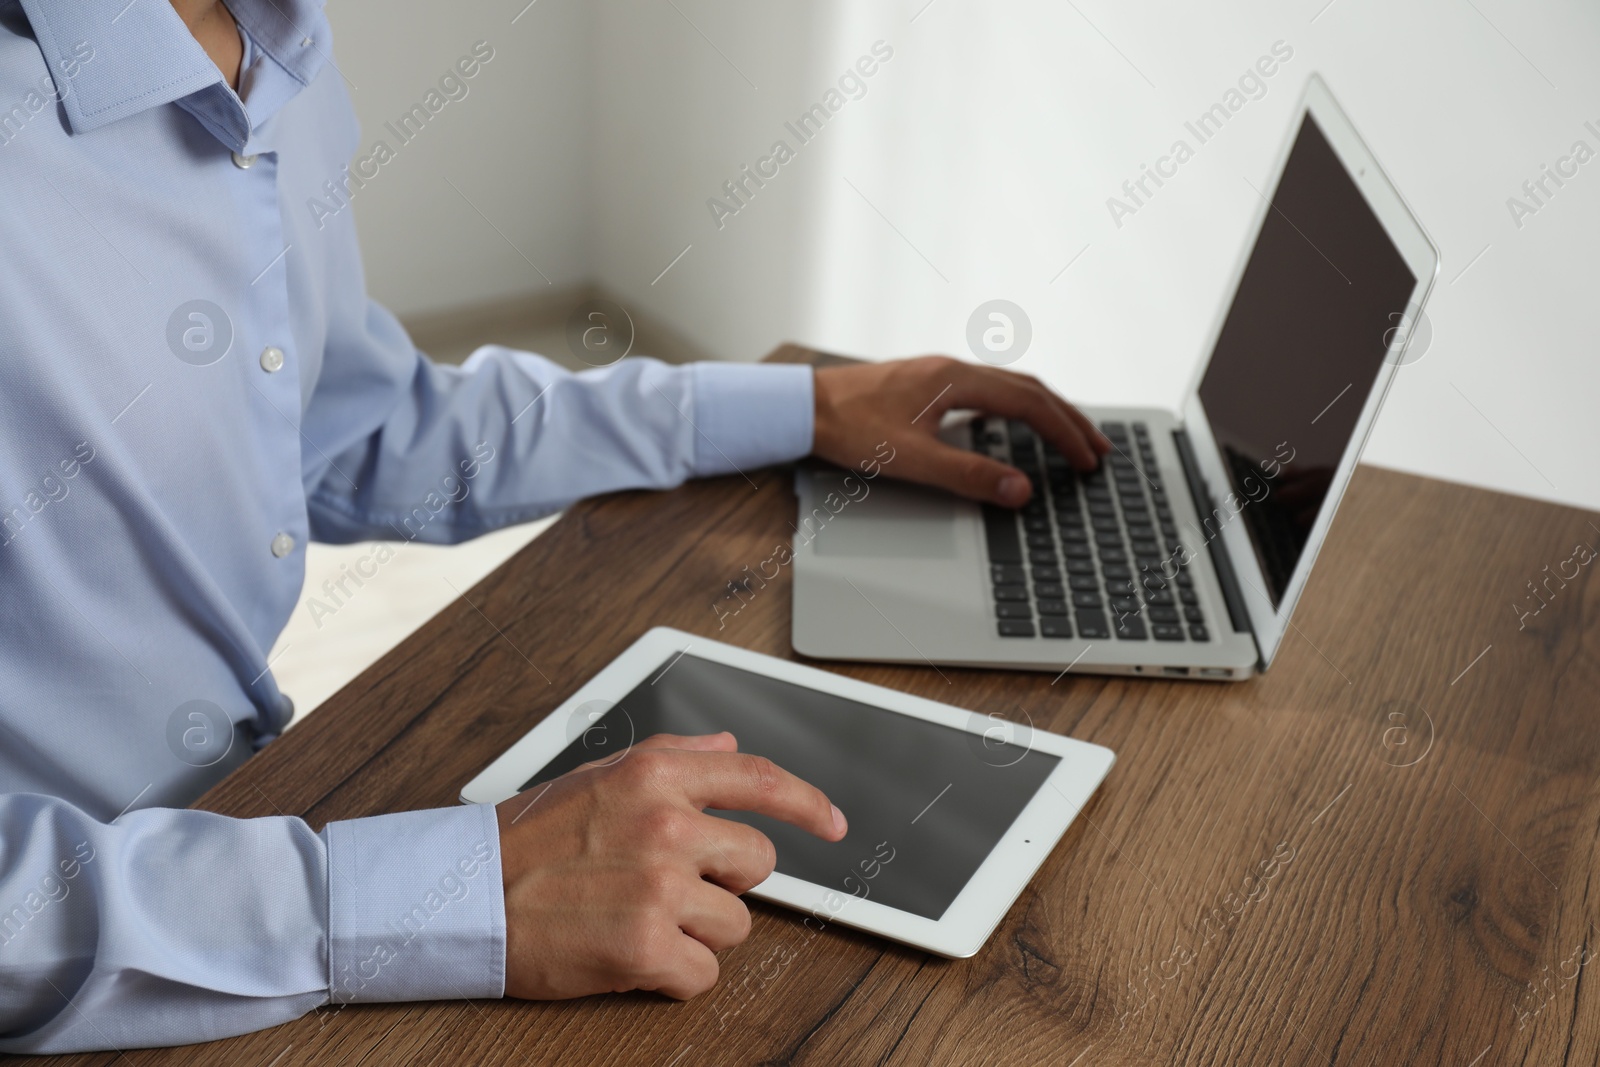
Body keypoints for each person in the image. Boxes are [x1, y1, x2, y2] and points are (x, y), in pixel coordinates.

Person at [0, 0, 1109, 1052]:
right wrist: (437, 893)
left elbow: (357, 426)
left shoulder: (275, 44)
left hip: (248, 835)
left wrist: (798, 406)